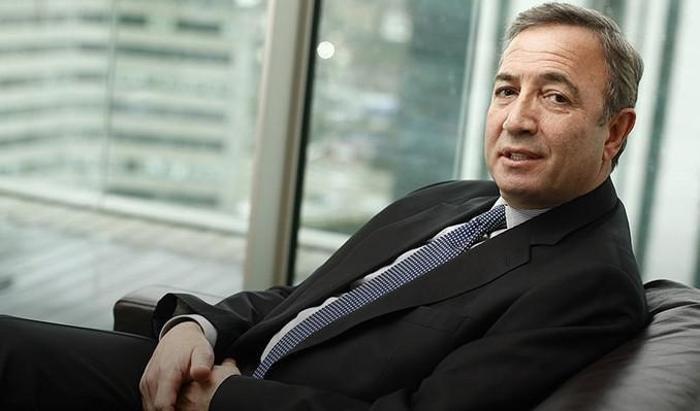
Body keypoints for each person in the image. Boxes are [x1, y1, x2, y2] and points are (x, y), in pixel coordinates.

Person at [0, 3, 648, 410]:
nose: (517, 119)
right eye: (506, 90)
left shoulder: (589, 283)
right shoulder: (457, 200)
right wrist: (194, 327)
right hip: (206, 370)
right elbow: (300, 299)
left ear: (614, 132)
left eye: (555, 97)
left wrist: (228, 398)